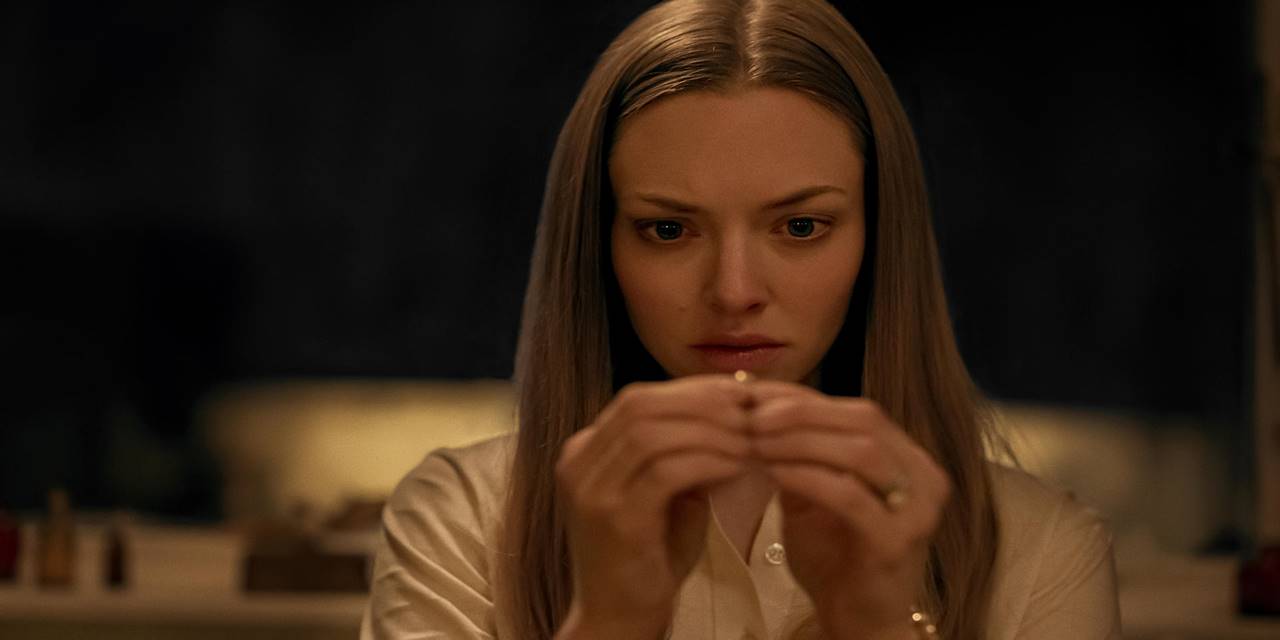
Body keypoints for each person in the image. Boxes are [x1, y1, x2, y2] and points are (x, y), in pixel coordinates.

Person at [360, 0, 1122, 638]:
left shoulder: (1040, 547)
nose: (734, 292)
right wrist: (612, 617)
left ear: (879, 238)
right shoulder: (466, 519)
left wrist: (877, 624)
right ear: (597, 245)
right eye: (668, 229)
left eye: (800, 227)